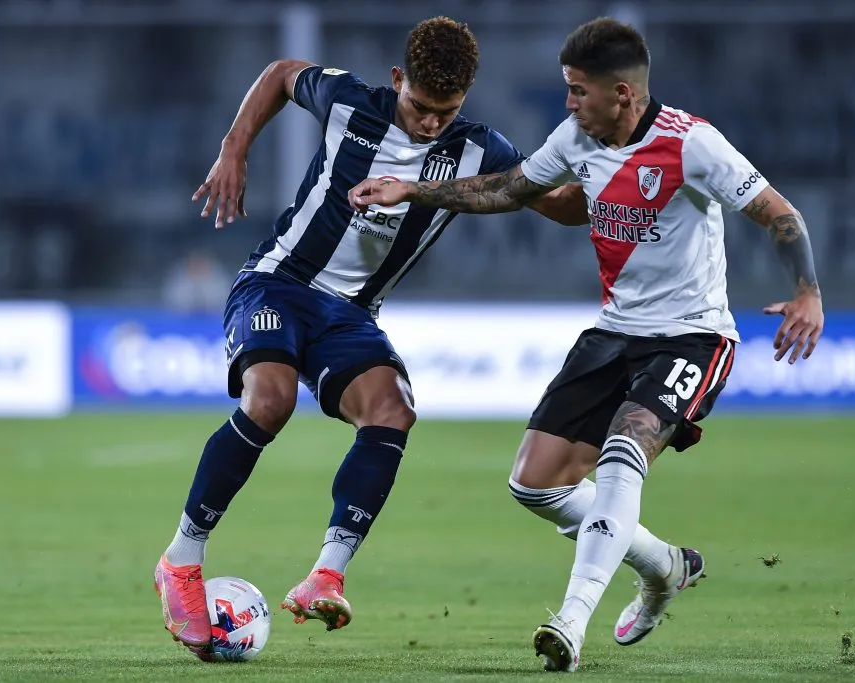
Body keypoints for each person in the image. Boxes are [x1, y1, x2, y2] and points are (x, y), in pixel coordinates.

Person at [349, 17, 824, 673]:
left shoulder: (694, 145)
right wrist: (414, 190)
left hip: (693, 337)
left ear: (623, 94)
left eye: (578, 90)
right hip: (614, 332)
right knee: (533, 482)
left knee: (628, 445)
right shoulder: (576, 136)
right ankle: (663, 565)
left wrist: (808, 292)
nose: (568, 103)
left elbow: (780, 213)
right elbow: (512, 188)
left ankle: (570, 621)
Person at [152, 16, 588, 656]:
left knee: (393, 410)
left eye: (447, 110)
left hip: (352, 315)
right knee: (268, 400)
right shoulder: (350, 102)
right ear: (396, 80)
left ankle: (325, 574)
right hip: (279, 282)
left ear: (465, 99)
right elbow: (279, 74)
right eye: (420, 105)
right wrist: (234, 148)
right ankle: (181, 561)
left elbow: (562, 205)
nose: (432, 122)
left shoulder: (479, 151)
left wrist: (591, 174)